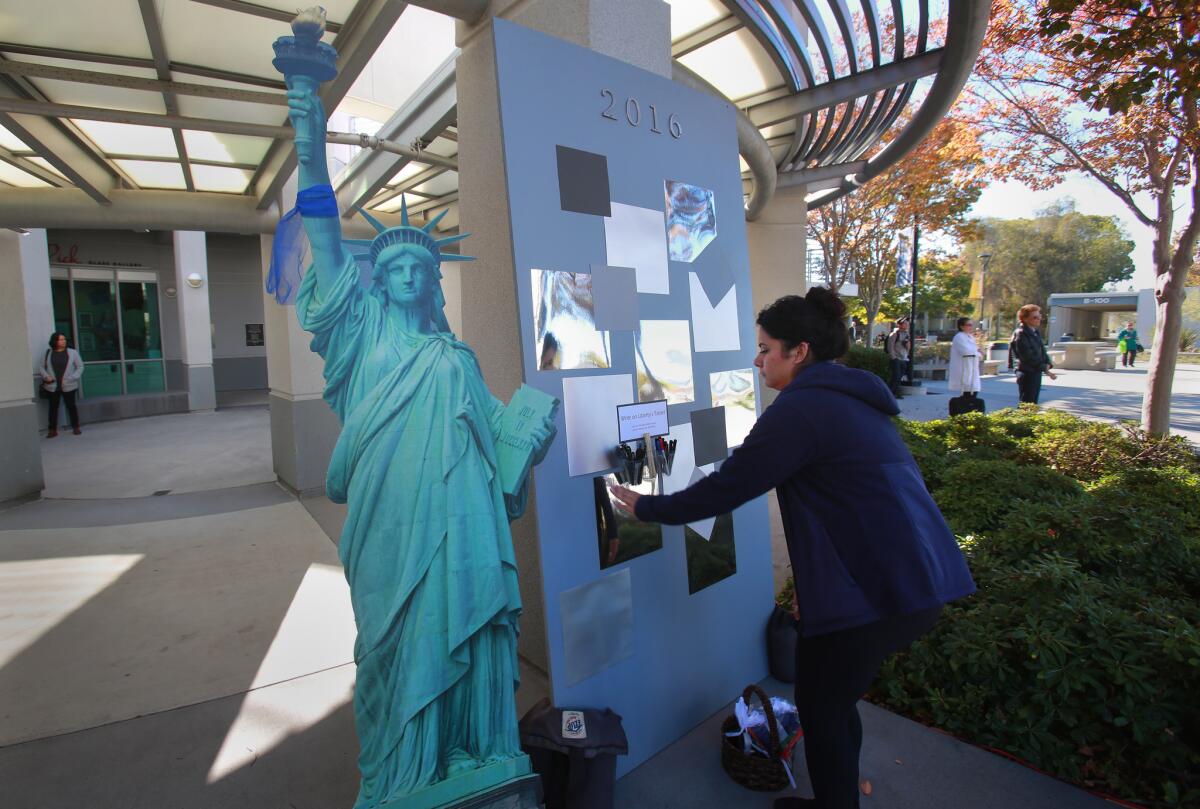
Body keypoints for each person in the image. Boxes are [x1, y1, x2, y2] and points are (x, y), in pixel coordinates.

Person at [285, 76, 556, 807]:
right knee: (390, 642)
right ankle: (400, 771)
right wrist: (311, 150)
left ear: (433, 282)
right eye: (393, 266)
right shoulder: (360, 330)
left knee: (466, 631)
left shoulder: (456, 358)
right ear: (379, 279)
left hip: (460, 525)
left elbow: (503, 447)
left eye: (418, 268)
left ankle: (469, 750)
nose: (405, 274)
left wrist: (533, 432)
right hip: (389, 522)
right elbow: (322, 239)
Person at [610, 289, 975, 809]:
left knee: (822, 704)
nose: (757, 361)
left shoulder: (803, 411)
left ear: (798, 351)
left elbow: (728, 488)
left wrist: (644, 508)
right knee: (833, 700)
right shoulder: (847, 398)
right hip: (906, 581)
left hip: (879, 592)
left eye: (765, 349)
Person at [1009, 304, 1057, 404]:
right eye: (1035, 317)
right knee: (1027, 404)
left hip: (1035, 371)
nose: (1039, 319)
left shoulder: (1035, 332)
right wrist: (1044, 367)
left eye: (1039, 316)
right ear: (1025, 319)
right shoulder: (1021, 333)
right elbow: (1027, 356)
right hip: (1026, 372)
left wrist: (1047, 364)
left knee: (1032, 404)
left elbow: (1042, 351)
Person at [39, 332, 83, 437]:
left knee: (71, 406)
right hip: (52, 386)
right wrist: (46, 376)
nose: (63, 341)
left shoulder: (72, 352)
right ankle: (52, 429)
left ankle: (76, 427)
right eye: (60, 339)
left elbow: (80, 367)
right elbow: (41, 367)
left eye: (64, 339)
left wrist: (73, 377)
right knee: (53, 408)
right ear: (55, 341)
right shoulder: (48, 353)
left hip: (69, 385)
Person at [948, 317, 981, 400]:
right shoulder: (959, 337)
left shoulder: (970, 337)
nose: (971, 327)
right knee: (967, 390)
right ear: (962, 326)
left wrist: (978, 352)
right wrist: (978, 354)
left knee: (974, 390)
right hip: (964, 367)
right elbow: (966, 351)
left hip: (972, 366)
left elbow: (975, 349)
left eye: (971, 325)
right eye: (968, 325)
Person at [885, 317, 910, 396]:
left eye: (907, 324)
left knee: (899, 377)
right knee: (895, 377)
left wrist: (907, 349)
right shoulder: (894, 334)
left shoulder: (907, 334)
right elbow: (890, 347)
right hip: (896, 359)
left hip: (904, 358)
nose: (907, 325)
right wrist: (894, 357)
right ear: (900, 325)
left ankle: (895, 393)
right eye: (905, 323)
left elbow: (907, 347)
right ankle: (889, 394)